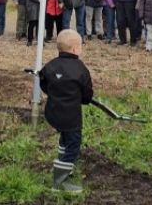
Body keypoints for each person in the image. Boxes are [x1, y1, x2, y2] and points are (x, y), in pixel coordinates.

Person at [39, 29, 93, 193]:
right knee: (73, 145)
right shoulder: (81, 69)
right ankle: (59, 181)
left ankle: (62, 164)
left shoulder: (50, 66)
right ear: (75, 49)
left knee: (65, 138)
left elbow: (44, 84)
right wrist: (82, 99)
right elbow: (87, 95)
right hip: (71, 117)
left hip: (53, 113)